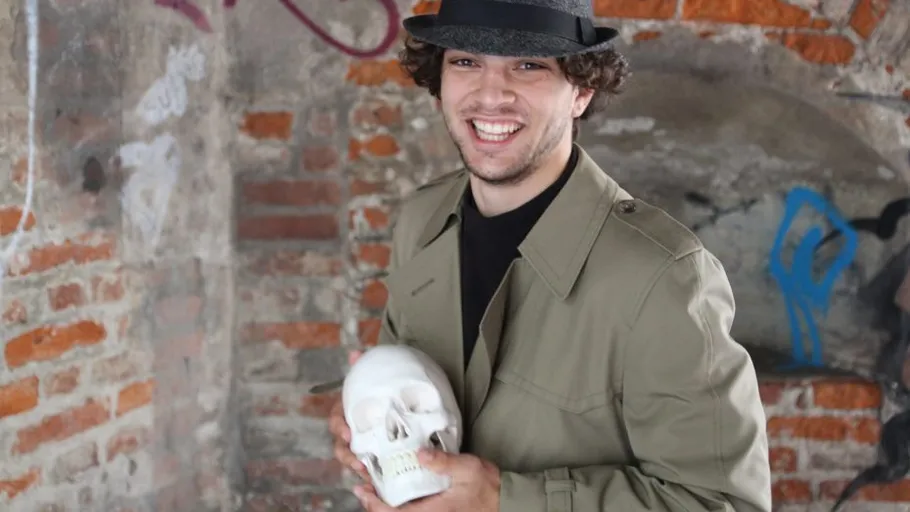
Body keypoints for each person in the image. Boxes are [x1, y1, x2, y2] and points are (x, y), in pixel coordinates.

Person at [327, 0, 773, 509]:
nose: (491, 94)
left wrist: (504, 500)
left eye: (529, 65)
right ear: (441, 77)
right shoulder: (420, 221)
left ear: (582, 90)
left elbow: (722, 503)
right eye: (466, 61)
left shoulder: (664, 276)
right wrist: (366, 418)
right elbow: (401, 392)